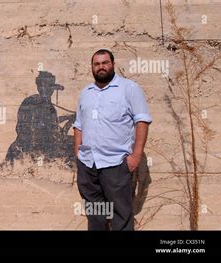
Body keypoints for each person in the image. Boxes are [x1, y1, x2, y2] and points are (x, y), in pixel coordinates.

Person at [73, 49, 152, 231]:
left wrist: (136, 156)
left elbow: (142, 120)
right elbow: (78, 125)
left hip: (115, 164)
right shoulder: (86, 93)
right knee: (95, 216)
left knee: (121, 215)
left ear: (113, 65)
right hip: (88, 165)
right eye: (96, 64)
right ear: (92, 67)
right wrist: (78, 153)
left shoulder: (128, 88)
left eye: (105, 62)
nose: (101, 67)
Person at [6, 71, 73, 163]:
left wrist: (68, 118)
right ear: (38, 87)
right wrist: (69, 123)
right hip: (35, 147)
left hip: (36, 143)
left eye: (50, 87)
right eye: (45, 87)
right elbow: (50, 129)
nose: (48, 90)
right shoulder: (32, 102)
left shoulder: (45, 105)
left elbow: (50, 123)